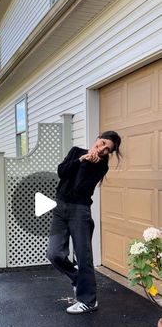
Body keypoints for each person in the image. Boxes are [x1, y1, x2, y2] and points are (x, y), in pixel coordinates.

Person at [46, 131, 122, 314]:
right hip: (60, 208)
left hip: (79, 211)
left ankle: (88, 300)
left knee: (83, 256)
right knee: (54, 253)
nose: (102, 149)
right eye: (102, 143)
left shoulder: (101, 167)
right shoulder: (75, 151)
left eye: (107, 149)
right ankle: (77, 279)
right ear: (97, 139)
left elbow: (80, 188)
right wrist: (81, 159)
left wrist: (87, 164)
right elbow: (61, 172)